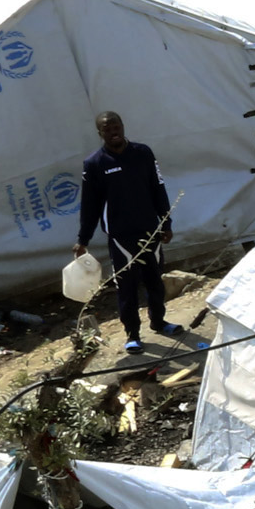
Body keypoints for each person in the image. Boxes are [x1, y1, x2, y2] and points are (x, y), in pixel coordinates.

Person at [73, 110, 182, 354]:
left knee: (155, 281)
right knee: (127, 287)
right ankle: (133, 334)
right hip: (121, 237)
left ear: (123, 126)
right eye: (107, 128)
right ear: (100, 133)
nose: (113, 132)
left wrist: (166, 223)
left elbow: (158, 188)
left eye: (116, 126)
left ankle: (159, 321)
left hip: (150, 230)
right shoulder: (94, 164)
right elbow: (89, 206)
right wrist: (83, 239)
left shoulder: (143, 153)